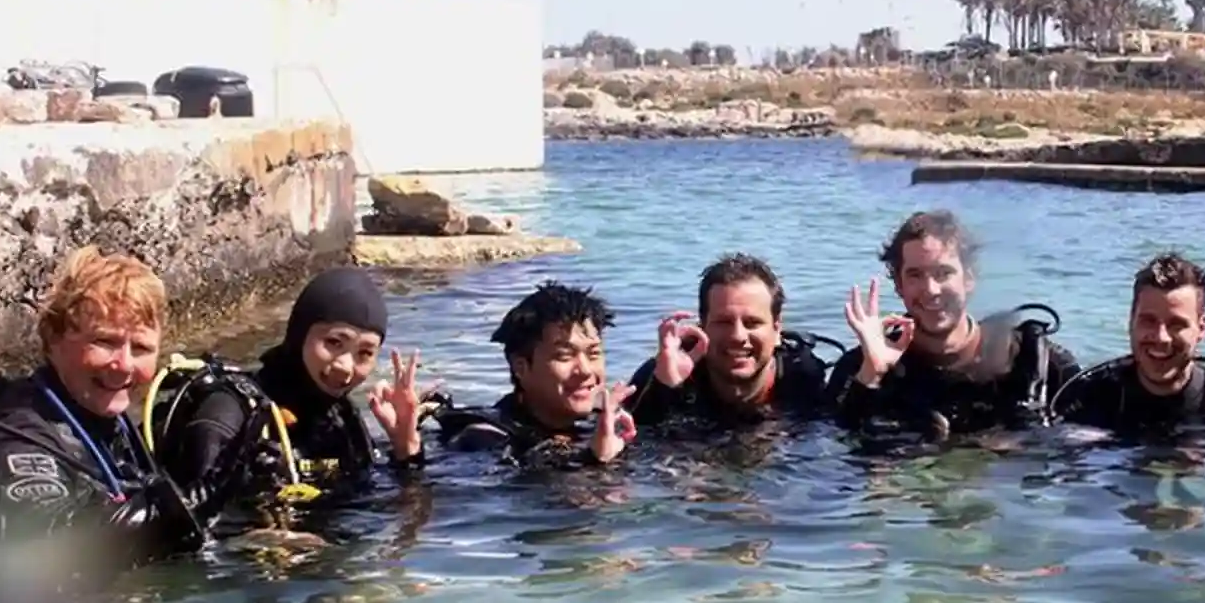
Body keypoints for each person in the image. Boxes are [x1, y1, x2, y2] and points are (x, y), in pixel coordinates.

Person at [0, 247, 200, 591]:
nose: (124, 365)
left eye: (140, 348)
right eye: (104, 341)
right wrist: (179, 510)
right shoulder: (12, 441)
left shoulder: (105, 420)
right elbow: (50, 544)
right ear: (53, 338)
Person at [155, 267, 427, 516]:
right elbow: (188, 523)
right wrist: (256, 537)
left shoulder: (342, 420)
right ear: (298, 335)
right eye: (333, 342)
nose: (346, 367)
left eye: (364, 353)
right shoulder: (231, 411)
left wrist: (406, 449)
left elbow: (387, 506)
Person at [826, 210, 1079, 438]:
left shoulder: (1042, 365)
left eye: (943, 273)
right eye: (915, 275)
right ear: (899, 286)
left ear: (969, 278)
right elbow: (834, 459)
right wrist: (872, 374)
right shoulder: (860, 368)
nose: (931, 290)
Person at [1054, 252, 1205, 445]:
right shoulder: (1094, 396)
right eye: (1148, 321)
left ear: (1201, 328)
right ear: (1130, 321)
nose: (1161, 338)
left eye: (1176, 324)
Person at [433, 281, 635, 465]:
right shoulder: (484, 437)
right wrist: (596, 461)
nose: (585, 370)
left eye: (593, 354)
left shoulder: (604, 422)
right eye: (564, 356)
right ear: (521, 368)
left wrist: (664, 380)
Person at [626, 253, 839, 428]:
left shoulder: (801, 377)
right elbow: (630, 445)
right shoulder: (666, 372)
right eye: (723, 322)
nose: (738, 336)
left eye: (752, 322)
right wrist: (664, 388)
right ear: (702, 326)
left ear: (776, 329)